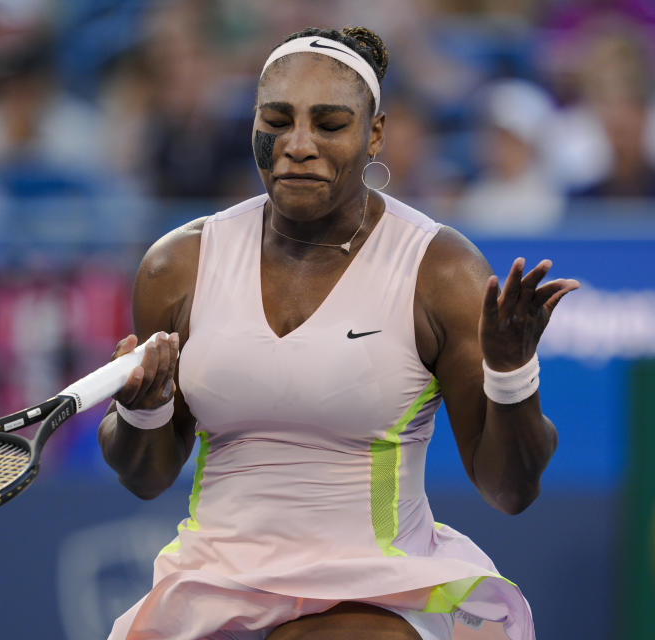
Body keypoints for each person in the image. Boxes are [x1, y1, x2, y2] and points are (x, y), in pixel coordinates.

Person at [98, 26, 579, 640]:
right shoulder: (175, 267)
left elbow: (510, 489)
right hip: (211, 584)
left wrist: (511, 373)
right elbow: (147, 477)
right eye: (277, 120)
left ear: (374, 132)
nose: (297, 144)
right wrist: (143, 411)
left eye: (329, 124)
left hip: (379, 587)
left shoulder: (442, 271)